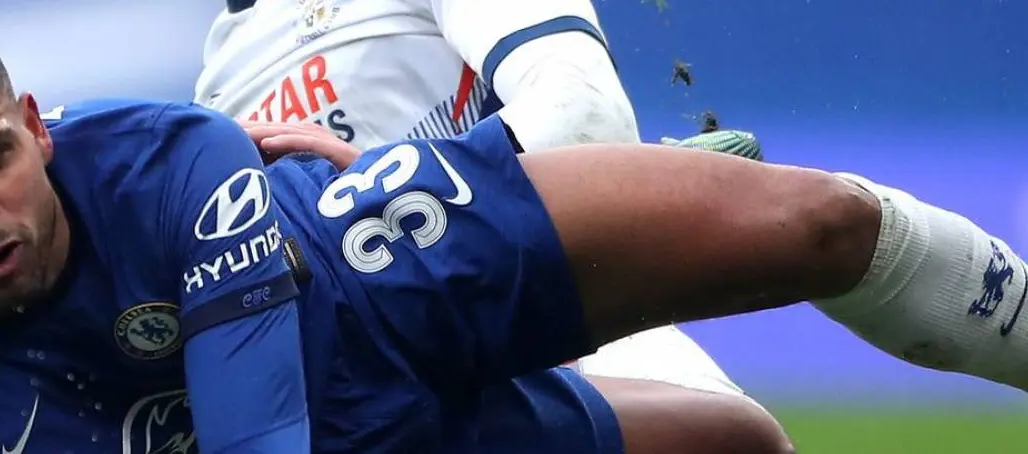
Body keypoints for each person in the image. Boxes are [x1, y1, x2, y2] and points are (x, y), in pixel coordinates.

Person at [0, 3, 1026, 454]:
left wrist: (565, 189)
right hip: (315, 391)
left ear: (33, 130)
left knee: (820, 228)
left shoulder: (166, 154)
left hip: (383, 267)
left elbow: (581, 112)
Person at [195, 0, 786, 451]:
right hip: (377, 397)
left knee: (733, 435)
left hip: (547, 328)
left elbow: (585, 114)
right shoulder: (221, 66)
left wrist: (386, 194)